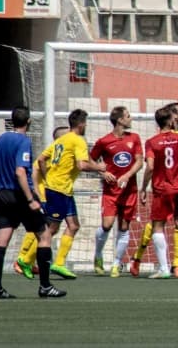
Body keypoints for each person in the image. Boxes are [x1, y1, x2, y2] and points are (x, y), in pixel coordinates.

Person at [0, 106, 66, 298]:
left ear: (11, 120)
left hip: (3, 194)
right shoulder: (23, 141)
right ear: (29, 121)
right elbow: (20, 171)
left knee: (1, 241)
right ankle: (45, 286)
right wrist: (31, 199)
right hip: (20, 197)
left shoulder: (0, 139)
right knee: (45, 235)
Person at [38, 108, 107, 279]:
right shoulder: (78, 140)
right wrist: (99, 167)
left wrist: (48, 176)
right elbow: (82, 165)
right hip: (58, 189)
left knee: (74, 225)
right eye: (86, 123)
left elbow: (41, 159)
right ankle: (27, 259)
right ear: (82, 124)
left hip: (63, 189)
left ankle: (59, 264)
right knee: (51, 229)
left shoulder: (62, 139)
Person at [139, 107, 178, 279]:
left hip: (162, 190)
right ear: (171, 121)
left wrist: (143, 188)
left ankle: (164, 269)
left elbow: (149, 167)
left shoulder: (152, 142)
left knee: (158, 227)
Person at [130, 102, 178, 277]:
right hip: (171, 186)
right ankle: (141, 258)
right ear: (173, 117)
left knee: (166, 224)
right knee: (160, 224)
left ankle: (176, 264)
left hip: (167, 186)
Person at [90, 106, 144, 278]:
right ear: (120, 120)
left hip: (129, 191)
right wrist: (102, 171)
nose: (131, 118)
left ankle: (116, 263)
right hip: (110, 191)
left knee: (124, 226)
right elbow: (91, 159)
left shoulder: (134, 138)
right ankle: (98, 256)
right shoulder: (104, 141)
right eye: (128, 116)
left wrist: (127, 176)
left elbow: (139, 161)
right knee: (106, 225)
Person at [14, 125, 68, 279]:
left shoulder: (62, 154)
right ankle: (23, 259)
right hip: (44, 196)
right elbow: (34, 172)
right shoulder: (51, 153)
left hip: (53, 195)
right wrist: (37, 195)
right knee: (43, 228)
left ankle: (28, 261)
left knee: (47, 229)